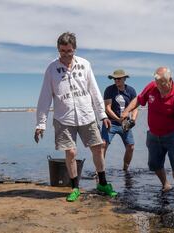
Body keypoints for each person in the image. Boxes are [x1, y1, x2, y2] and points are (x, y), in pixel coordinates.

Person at [34, 32, 117, 202]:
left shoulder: (85, 64)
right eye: (62, 51)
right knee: (71, 152)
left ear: (75, 49)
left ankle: (102, 183)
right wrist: (40, 124)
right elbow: (44, 97)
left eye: (69, 51)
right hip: (63, 118)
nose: (66, 54)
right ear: (58, 49)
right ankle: (75, 188)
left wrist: (102, 115)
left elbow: (94, 90)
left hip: (87, 115)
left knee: (98, 148)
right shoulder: (51, 69)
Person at [121, 67, 174, 199]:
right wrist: (127, 110)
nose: (159, 86)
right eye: (157, 83)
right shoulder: (152, 87)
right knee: (154, 164)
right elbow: (139, 99)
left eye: (162, 83)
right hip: (154, 135)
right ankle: (166, 184)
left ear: (170, 80)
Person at [101, 69, 138, 171]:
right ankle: (99, 171)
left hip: (125, 123)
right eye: (115, 79)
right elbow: (107, 108)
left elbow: (135, 107)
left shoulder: (131, 90)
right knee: (103, 145)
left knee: (131, 147)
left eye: (119, 79)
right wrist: (118, 119)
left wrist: (133, 120)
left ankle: (125, 169)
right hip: (111, 122)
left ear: (124, 78)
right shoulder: (109, 90)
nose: (116, 81)